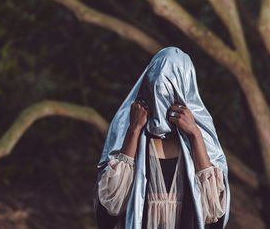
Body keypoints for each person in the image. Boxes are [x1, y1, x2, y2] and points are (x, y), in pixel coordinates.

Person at [93, 47, 230, 229]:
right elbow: (111, 205)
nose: (162, 96)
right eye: (157, 86)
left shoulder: (199, 135)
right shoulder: (133, 130)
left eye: (171, 88)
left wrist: (195, 134)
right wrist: (133, 130)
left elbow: (213, 213)